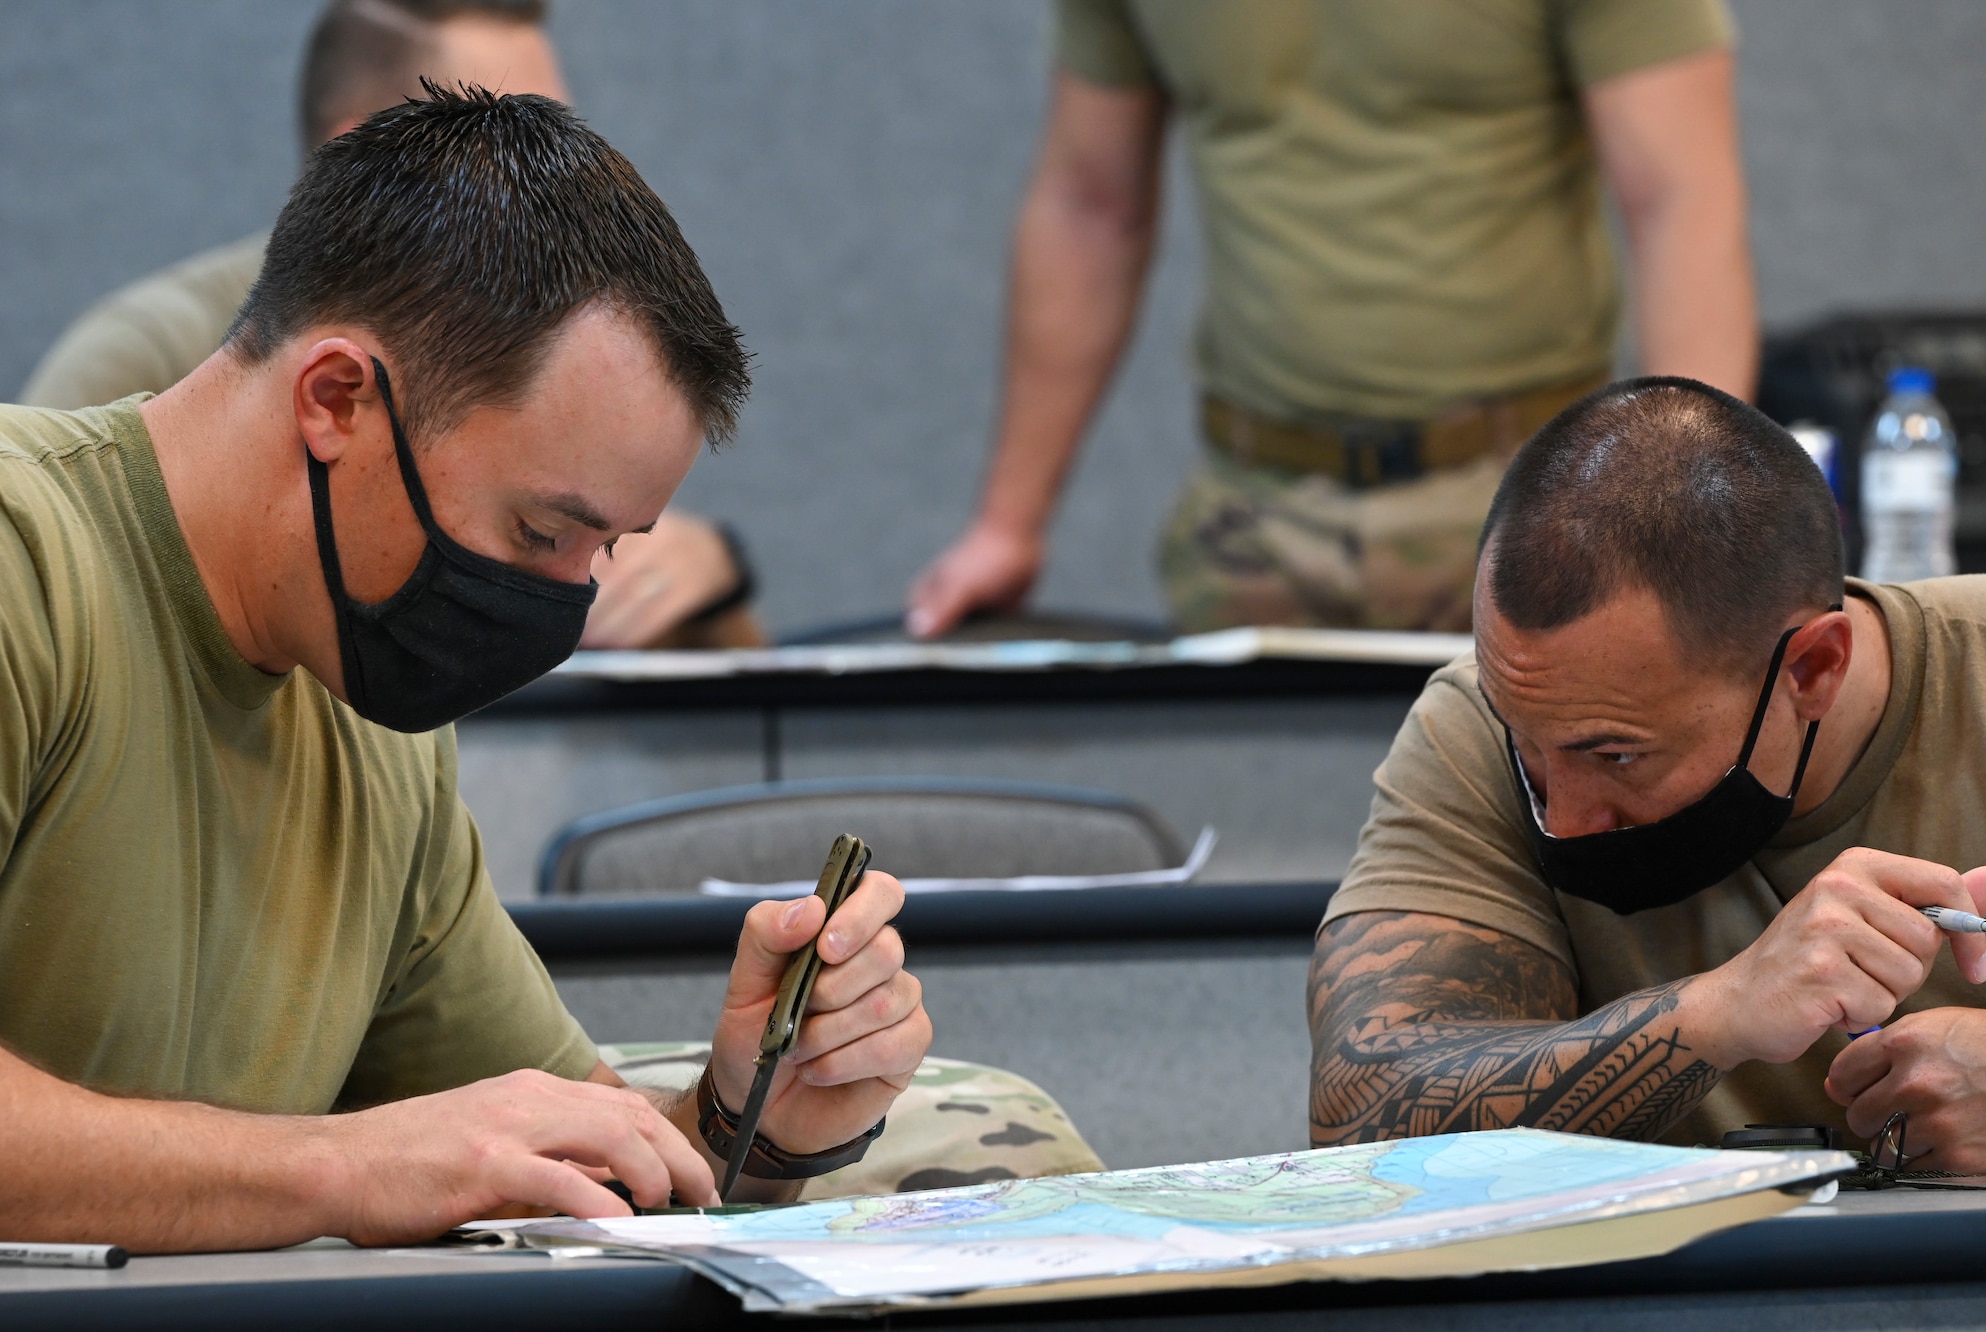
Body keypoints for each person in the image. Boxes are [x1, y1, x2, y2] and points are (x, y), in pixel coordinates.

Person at [0, 87, 932, 1252]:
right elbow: (385, 1167)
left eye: (606, 551)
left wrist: (755, 1118)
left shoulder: (373, 719)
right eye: (541, 535)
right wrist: (339, 1167)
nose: (564, 604)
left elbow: (563, 1166)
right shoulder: (25, 562)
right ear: (337, 398)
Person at [1308, 377, 1986, 1169]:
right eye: (1529, 749)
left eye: (1617, 756)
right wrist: (1719, 1013)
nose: (1561, 820)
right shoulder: (1479, 720)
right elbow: (1359, 1114)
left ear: (1812, 669)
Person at [907, 0, 1756, 639]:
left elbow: (1680, 201)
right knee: (1247, 860)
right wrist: (1007, 524)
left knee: (1528, 857)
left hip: (1522, 506)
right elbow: (1089, 207)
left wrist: (1685, 520)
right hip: (1253, 520)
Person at [19, 0, 759, 651]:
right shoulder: (143, 356)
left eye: (558, 136)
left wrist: (710, 576)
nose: (556, 184)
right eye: (496, 137)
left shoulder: (382, 717)